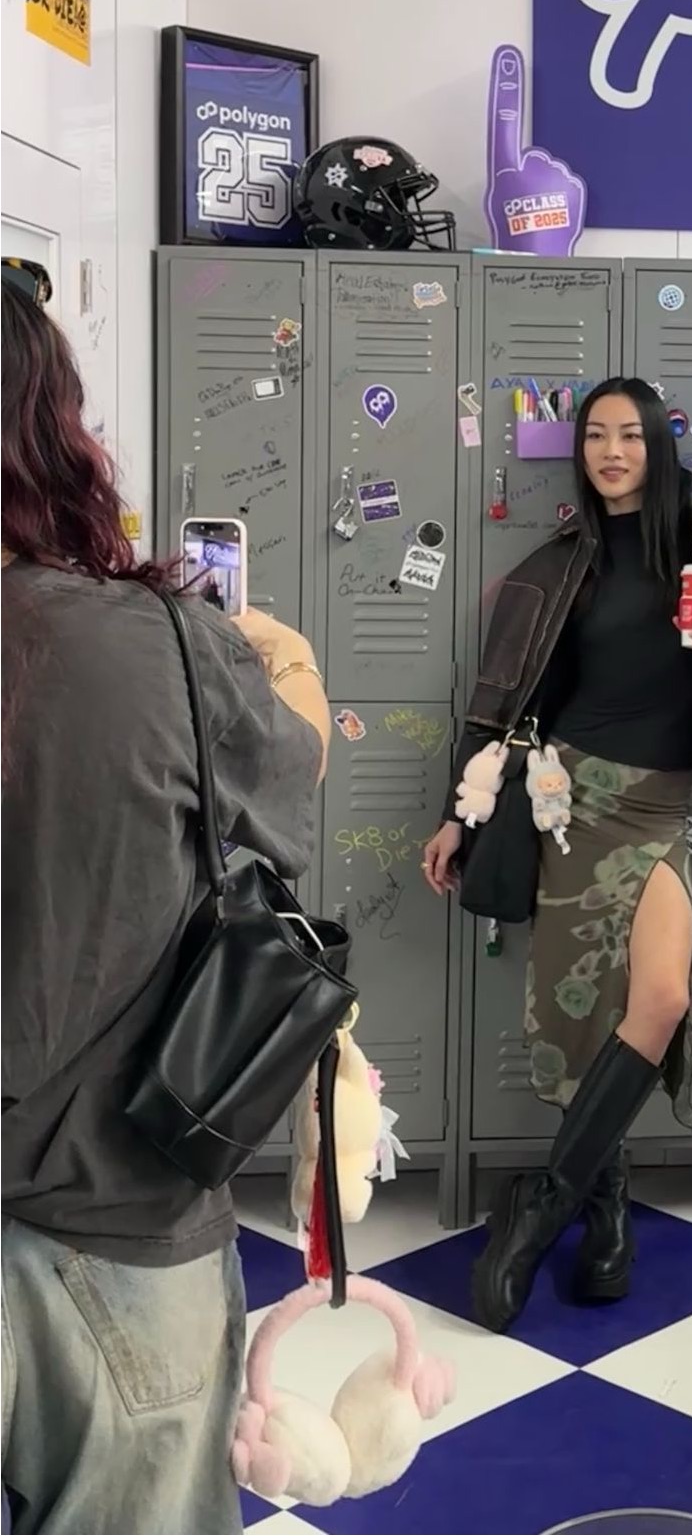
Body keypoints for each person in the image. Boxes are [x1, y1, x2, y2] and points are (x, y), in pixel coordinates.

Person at [1, 275, 329, 1536]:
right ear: (54, 426)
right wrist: (280, 659)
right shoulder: (169, 644)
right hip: (118, 1221)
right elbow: (291, 788)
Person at [422, 378, 692, 1333]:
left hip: (664, 808)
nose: (611, 452)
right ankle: (604, 1209)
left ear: (657, 447)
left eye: (629, 436)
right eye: (595, 436)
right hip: (571, 801)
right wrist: (456, 817)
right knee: (582, 1020)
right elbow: (502, 702)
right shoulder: (562, 563)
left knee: (662, 1000)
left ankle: (539, 1206)